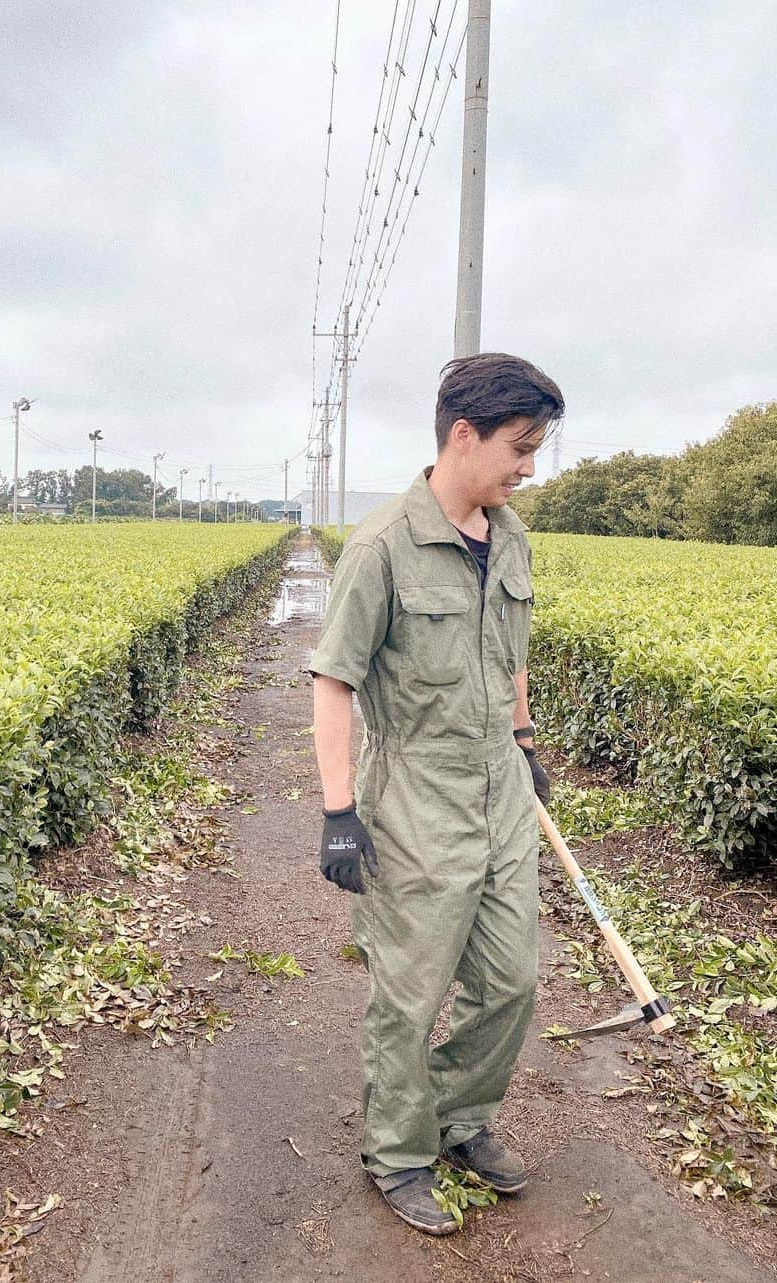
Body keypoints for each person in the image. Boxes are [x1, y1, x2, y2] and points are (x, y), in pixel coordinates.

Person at [308, 351, 564, 1235]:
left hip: (500, 793)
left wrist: (523, 738)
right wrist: (339, 810)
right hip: (415, 793)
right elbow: (334, 679)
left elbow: (511, 650)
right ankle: (399, 1151)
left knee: (513, 980)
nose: (529, 465)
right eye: (520, 447)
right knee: (410, 995)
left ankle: (457, 1119)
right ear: (465, 434)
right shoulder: (382, 546)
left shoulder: (514, 536)